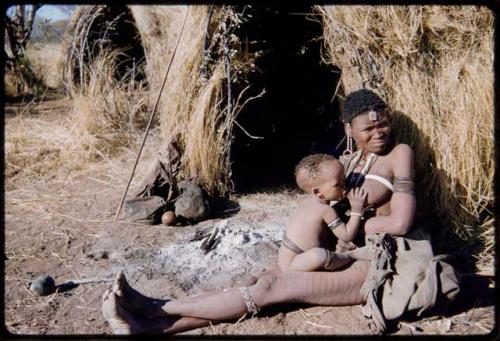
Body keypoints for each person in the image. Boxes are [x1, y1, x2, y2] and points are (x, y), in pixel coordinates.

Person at [101, 89, 457, 334]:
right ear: (349, 130)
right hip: (348, 250)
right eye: (369, 128)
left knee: (270, 287)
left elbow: (401, 221)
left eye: (384, 124)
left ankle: (155, 308)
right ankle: (145, 324)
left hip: (385, 261)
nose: (380, 132)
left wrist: (359, 217)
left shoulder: (399, 154)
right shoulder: (351, 160)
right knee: (255, 283)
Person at [279, 153, 373, 272]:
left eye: (344, 180)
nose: (344, 186)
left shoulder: (309, 202)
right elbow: (347, 235)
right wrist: (356, 210)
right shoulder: (325, 210)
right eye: (338, 185)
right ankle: (352, 255)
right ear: (318, 192)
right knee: (320, 256)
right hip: (295, 262)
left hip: (287, 255)